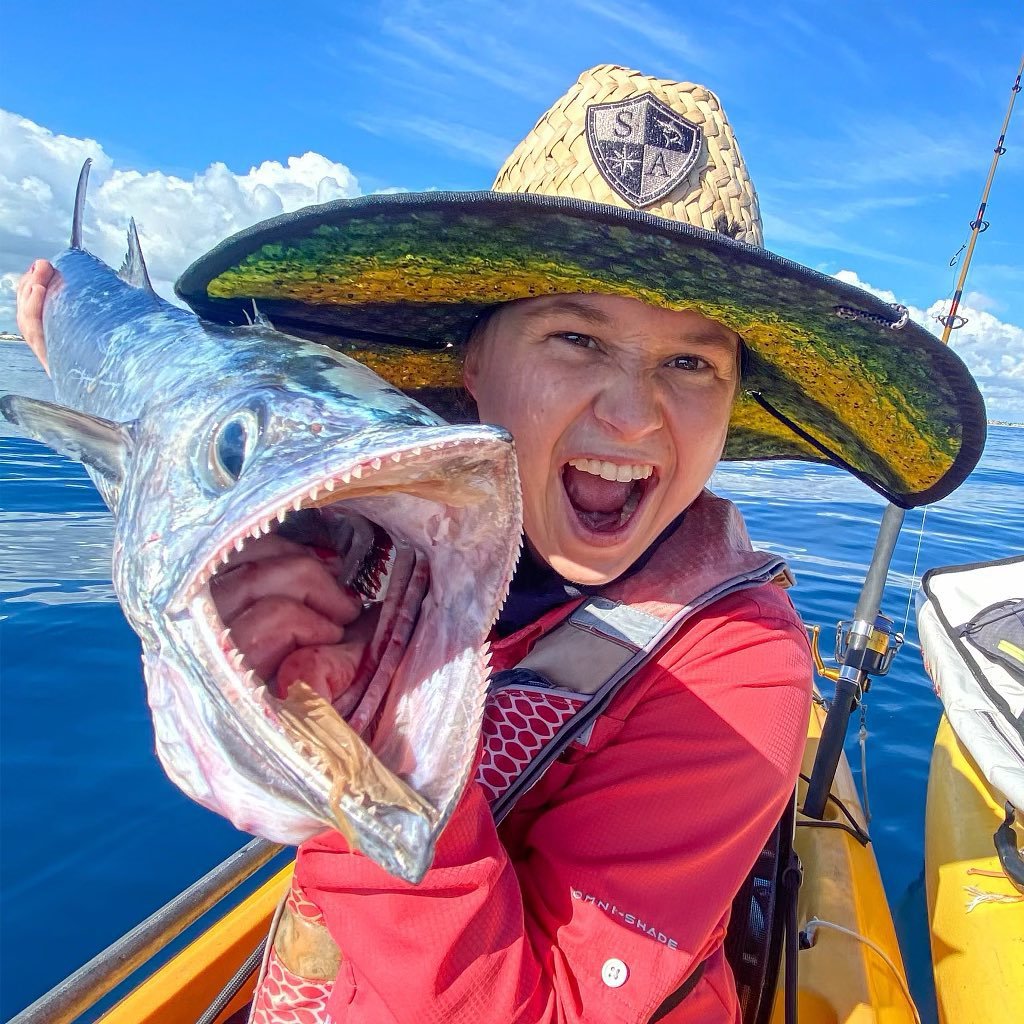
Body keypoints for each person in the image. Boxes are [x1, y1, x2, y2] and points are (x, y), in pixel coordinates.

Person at [17, 64, 983, 1024]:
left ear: (732, 407)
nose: (635, 413)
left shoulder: (740, 669)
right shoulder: (366, 538)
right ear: (472, 366)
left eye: (691, 362)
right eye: (576, 338)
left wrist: (362, 753)